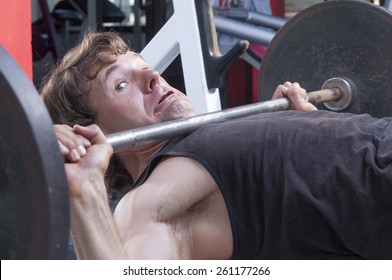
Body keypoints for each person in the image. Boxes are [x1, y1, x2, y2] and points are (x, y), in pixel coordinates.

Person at [40, 31, 392, 260]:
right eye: (120, 85)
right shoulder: (147, 203)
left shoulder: (208, 148)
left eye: (145, 68)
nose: (153, 78)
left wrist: (301, 131)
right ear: (89, 132)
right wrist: (84, 190)